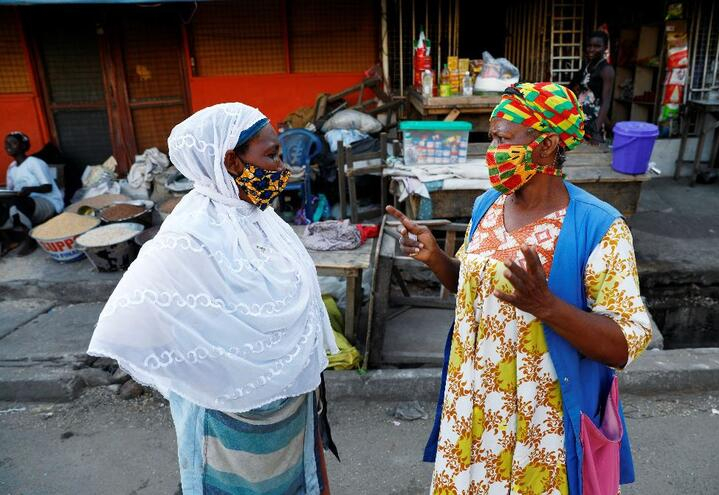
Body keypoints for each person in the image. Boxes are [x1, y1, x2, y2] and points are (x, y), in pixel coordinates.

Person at [388, 82, 652, 494]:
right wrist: (436, 258)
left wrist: (548, 306)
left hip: (541, 418)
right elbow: (478, 294)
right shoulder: (488, 205)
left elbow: (624, 343)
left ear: (545, 145)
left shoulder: (599, 226)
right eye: (492, 137)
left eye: (502, 138)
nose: (492, 149)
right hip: (474, 402)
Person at [88, 103, 339, 494]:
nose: (282, 168)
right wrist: (211, 363)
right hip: (222, 423)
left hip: (290, 404)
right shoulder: (187, 237)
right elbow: (133, 324)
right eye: (271, 155)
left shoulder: (261, 219)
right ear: (231, 162)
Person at [1, 131, 64, 256]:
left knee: (17, 201)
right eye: (6, 143)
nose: (8, 146)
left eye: (13, 143)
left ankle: (30, 239)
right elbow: (10, 190)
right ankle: (7, 242)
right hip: (25, 204)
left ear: (24, 146)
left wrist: (28, 190)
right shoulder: (11, 168)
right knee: (11, 201)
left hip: (47, 202)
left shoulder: (34, 162)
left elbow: (47, 187)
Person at [569, 31, 615, 144]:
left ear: (605, 48)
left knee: (591, 151)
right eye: (589, 46)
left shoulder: (606, 70)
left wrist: (596, 129)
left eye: (597, 46)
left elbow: (606, 102)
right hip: (581, 116)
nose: (591, 49)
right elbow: (574, 85)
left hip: (595, 119)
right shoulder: (587, 65)